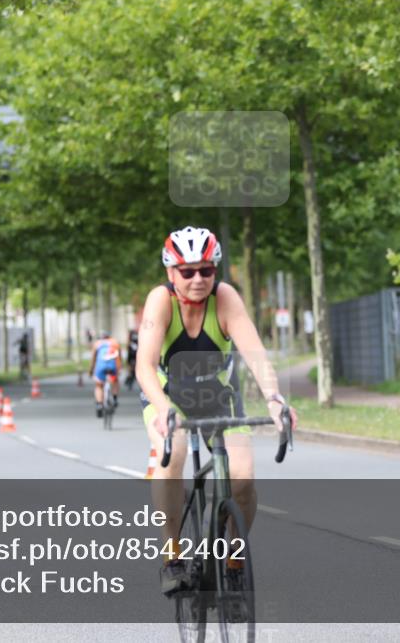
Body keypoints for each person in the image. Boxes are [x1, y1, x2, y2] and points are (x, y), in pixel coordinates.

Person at [136, 225, 298, 595]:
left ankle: (234, 561)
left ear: (216, 271)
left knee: (242, 478)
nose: (197, 279)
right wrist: (163, 409)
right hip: (168, 398)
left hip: (219, 398)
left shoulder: (225, 298)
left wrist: (274, 398)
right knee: (172, 452)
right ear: (170, 273)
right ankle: (172, 556)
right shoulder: (160, 301)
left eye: (206, 270)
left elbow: (256, 356)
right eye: (187, 271)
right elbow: (144, 367)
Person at [89, 330, 121, 417]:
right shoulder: (115, 343)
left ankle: (99, 404)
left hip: (100, 367)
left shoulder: (97, 344)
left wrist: (91, 370)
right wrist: (118, 370)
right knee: (115, 381)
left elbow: (93, 360)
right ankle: (114, 398)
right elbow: (118, 358)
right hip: (112, 367)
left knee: (99, 385)